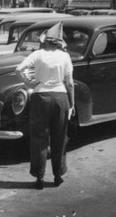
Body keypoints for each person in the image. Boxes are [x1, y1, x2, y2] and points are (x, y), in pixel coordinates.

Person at [15, 21, 74, 190]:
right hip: (61, 97)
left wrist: (30, 84)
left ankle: (39, 177)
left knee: (39, 139)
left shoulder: (38, 54)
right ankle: (57, 175)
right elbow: (69, 83)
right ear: (59, 43)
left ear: (45, 41)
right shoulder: (65, 57)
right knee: (59, 138)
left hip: (40, 97)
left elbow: (19, 69)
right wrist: (72, 103)